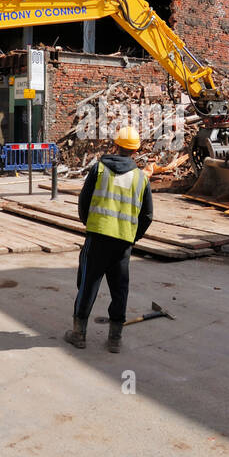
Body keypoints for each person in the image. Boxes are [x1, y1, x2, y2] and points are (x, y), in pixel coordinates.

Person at [67, 125, 154, 353]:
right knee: (119, 288)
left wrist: (90, 224)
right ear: (135, 151)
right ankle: (115, 339)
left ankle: (79, 334)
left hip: (98, 238)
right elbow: (147, 215)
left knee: (88, 284)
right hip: (123, 242)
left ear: (115, 146)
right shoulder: (141, 179)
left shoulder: (99, 170)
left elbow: (84, 202)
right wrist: (133, 237)